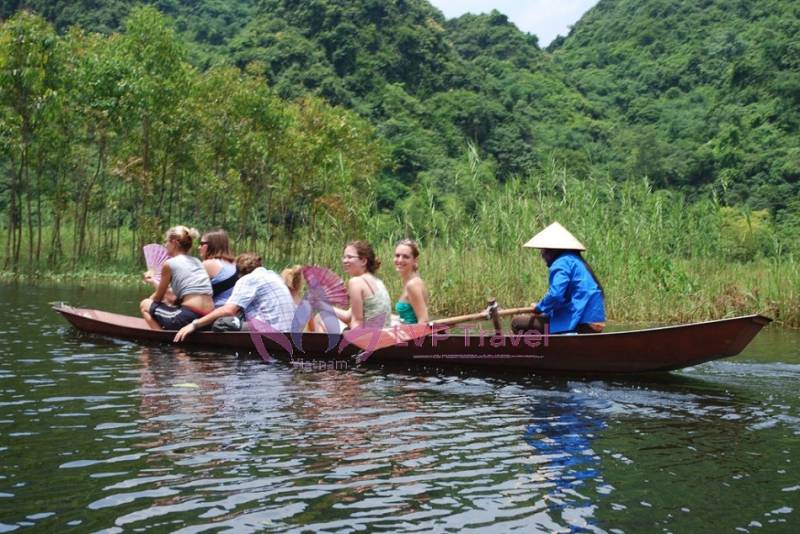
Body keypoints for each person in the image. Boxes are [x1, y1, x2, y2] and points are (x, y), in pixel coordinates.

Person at [173, 252, 296, 342]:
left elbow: (228, 310)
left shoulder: (248, 279)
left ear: (238, 272)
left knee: (221, 323)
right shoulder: (273, 276)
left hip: (271, 331)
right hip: (288, 331)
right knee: (238, 317)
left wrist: (194, 324)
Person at [511, 222, 606, 335]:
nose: (542, 255)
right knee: (543, 318)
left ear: (552, 250)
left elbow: (556, 295)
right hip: (595, 322)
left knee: (517, 322)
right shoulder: (575, 260)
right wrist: (543, 309)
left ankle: (538, 350)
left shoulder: (561, 263)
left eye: (543, 250)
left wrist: (539, 308)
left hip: (582, 322)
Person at [140, 226, 214, 330]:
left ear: (174, 243)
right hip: (208, 318)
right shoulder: (197, 261)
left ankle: (161, 338)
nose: (165, 245)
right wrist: (154, 282)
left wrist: (149, 302)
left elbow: (158, 298)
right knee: (167, 305)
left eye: (167, 242)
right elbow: (173, 297)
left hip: (189, 316)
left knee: (144, 304)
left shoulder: (169, 264)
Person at [334, 240, 391, 329]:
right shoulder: (377, 281)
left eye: (349, 257)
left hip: (370, 339)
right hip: (383, 336)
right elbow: (348, 316)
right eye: (344, 257)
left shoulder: (356, 282)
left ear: (363, 261)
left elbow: (357, 322)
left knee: (320, 320)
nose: (345, 261)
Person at [393, 239, 429, 324]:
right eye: (397, 255)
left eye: (405, 257)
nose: (400, 260)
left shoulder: (412, 285)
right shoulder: (412, 281)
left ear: (415, 260)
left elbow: (423, 320)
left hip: (412, 335)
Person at [199, 229, 237, 308]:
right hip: (235, 311)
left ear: (213, 245)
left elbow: (188, 289)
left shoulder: (208, 264)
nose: (199, 247)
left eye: (202, 244)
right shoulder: (235, 263)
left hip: (217, 310)